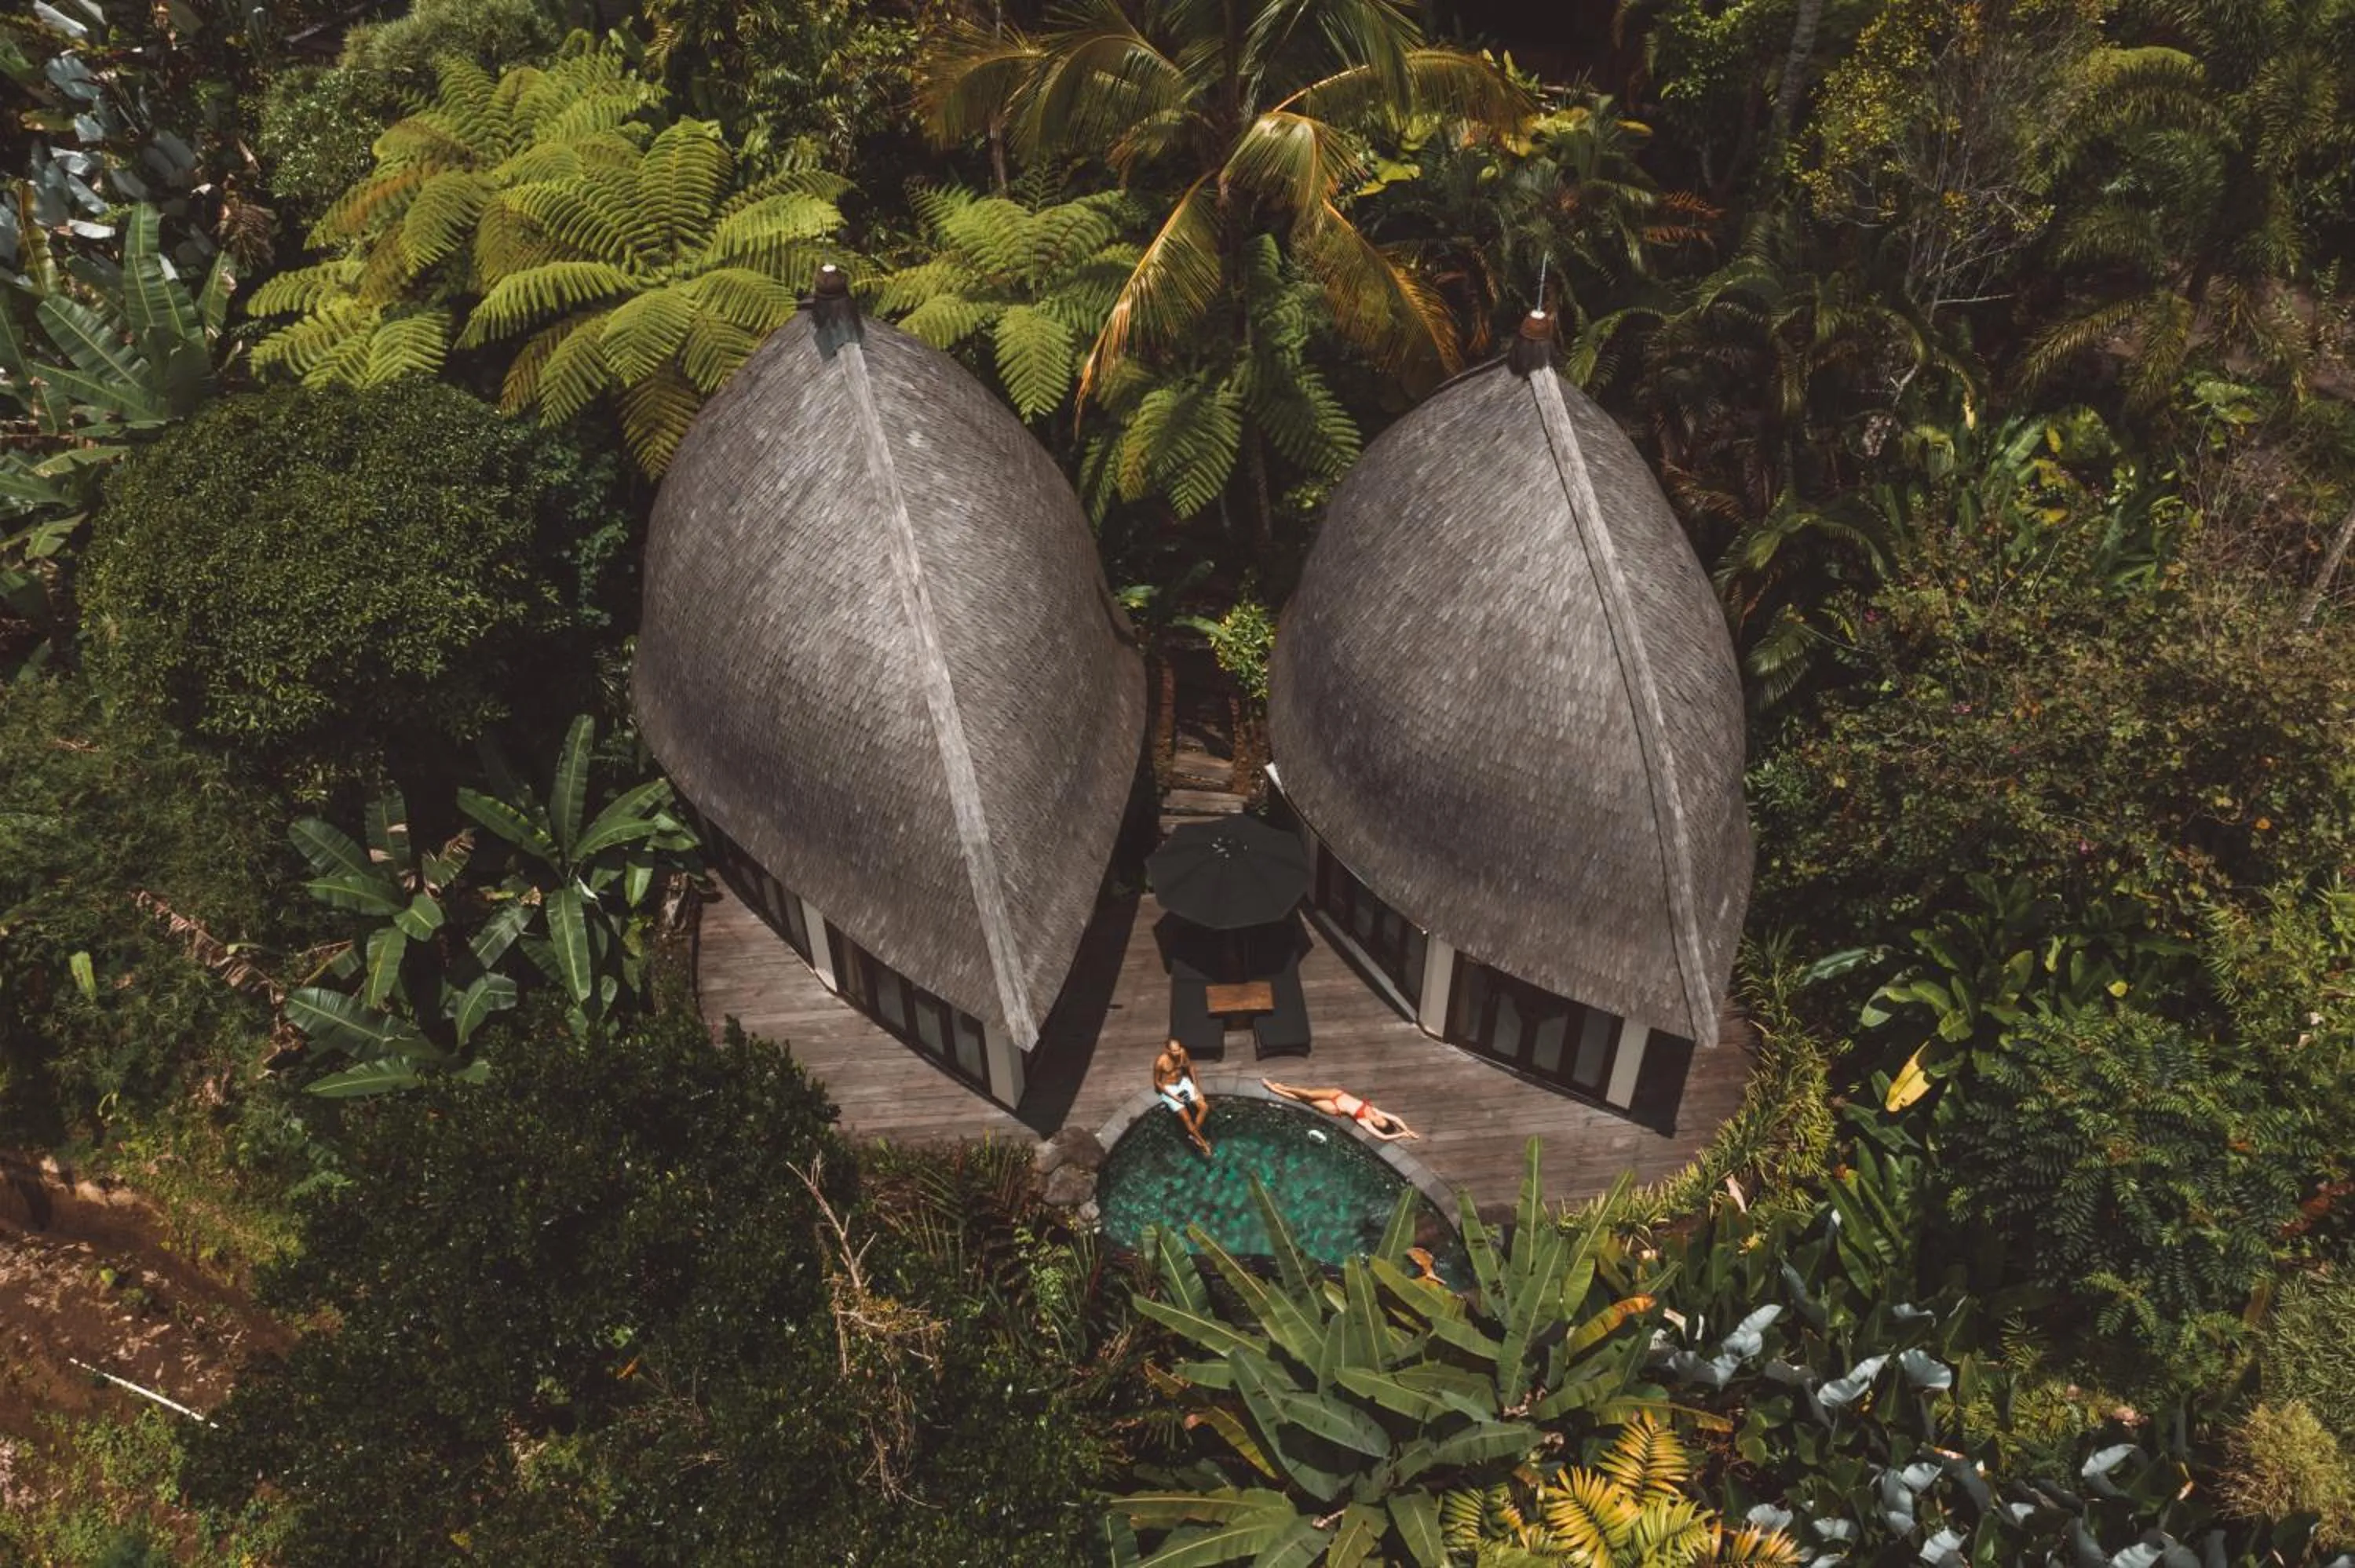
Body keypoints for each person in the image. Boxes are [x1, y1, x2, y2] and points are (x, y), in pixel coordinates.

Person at [1260, 1079, 1420, 1142]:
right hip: (1337, 1093)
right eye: (1381, 1119)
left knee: (1304, 1099)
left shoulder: (1365, 1122)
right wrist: (1408, 1130)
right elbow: (1396, 1118)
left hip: (1335, 1108)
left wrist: (1401, 1135)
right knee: (1308, 1092)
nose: (1377, 1119)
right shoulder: (1376, 1111)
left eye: (1378, 1122)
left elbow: (1382, 1137)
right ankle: (1281, 1087)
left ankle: (1274, 1089)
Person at [1155, 1037, 1212, 1154]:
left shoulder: (1182, 1053)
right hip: (1169, 1088)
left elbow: (1190, 1067)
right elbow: (1157, 1082)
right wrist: (1173, 1097)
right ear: (1167, 1050)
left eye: (1178, 1049)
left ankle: (1194, 1134)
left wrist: (1196, 1087)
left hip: (1183, 1083)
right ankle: (1203, 1143)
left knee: (1204, 1107)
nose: (1177, 1053)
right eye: (1174, 1051)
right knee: (1187, 1119)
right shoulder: (1161, 1062)